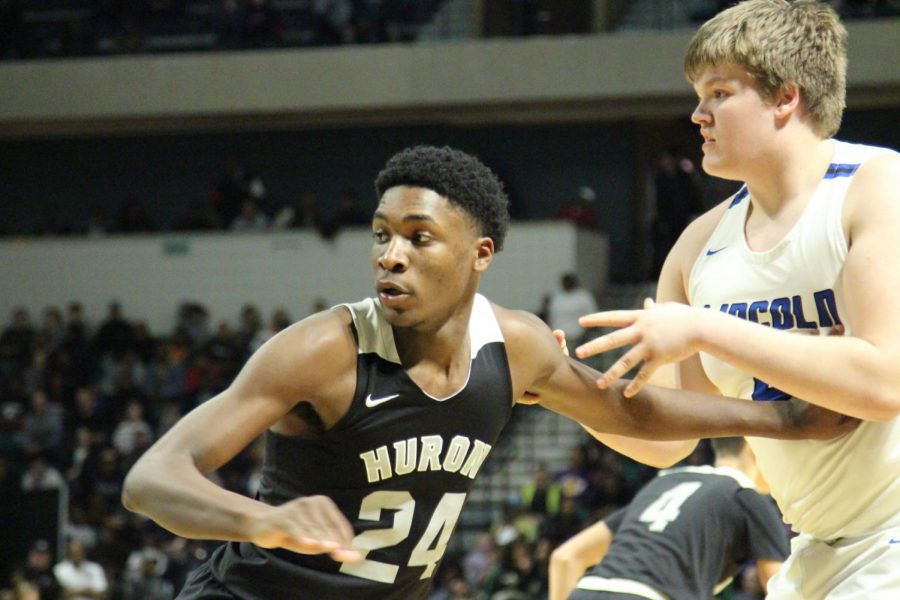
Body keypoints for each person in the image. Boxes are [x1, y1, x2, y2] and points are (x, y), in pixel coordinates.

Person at [121, 145, 853, 600]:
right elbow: (153, 478)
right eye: (381, 235)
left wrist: (783, 418)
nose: (390, 255)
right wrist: (264, 521)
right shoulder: (323, 349)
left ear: (479, 256)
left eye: (418, 237)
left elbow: (631, 414)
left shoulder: (518, 346)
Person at [575, 1, 900, 597]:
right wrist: (557, 386)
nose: (698, 114)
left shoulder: (876, 187)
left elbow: (884, 382)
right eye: (699, 95)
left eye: (719, 93)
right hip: (815, 545)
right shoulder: (699, 244)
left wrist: (705, 329)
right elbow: (674, 436)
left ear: (785, 98)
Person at [549, 437, 788, 600]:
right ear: (753, 446)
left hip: (588, 590)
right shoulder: (747, 495)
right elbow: (778, 586)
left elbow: (565, 557)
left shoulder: (666, 482)